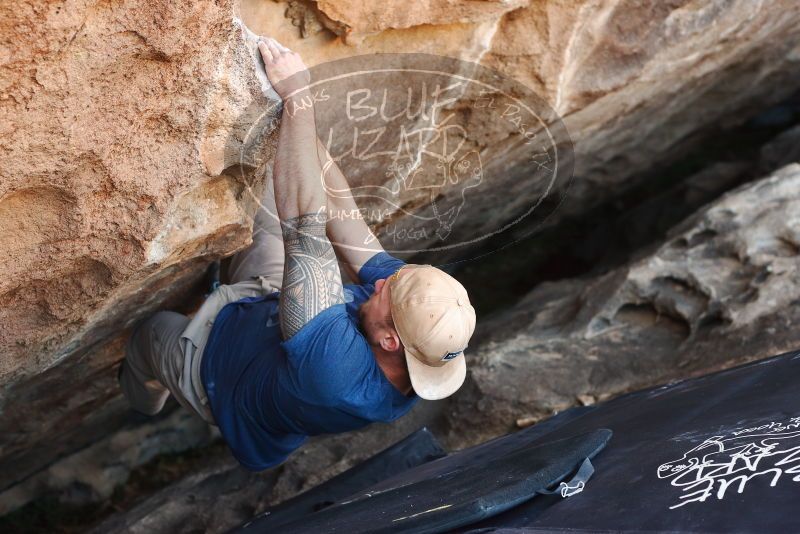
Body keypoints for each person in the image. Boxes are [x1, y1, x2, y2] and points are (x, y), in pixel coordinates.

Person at [118, 37, 477, 471]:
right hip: (275, 314)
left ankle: (147, 398)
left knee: (149, 334)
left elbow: (306, 221)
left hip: (218, 374)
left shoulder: (334, 372)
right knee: (271, 192)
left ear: (389, 341)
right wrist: (284, 107)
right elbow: (340, 208)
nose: (380, 281)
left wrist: (299, 98)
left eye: (385, 292)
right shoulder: (421, 327)